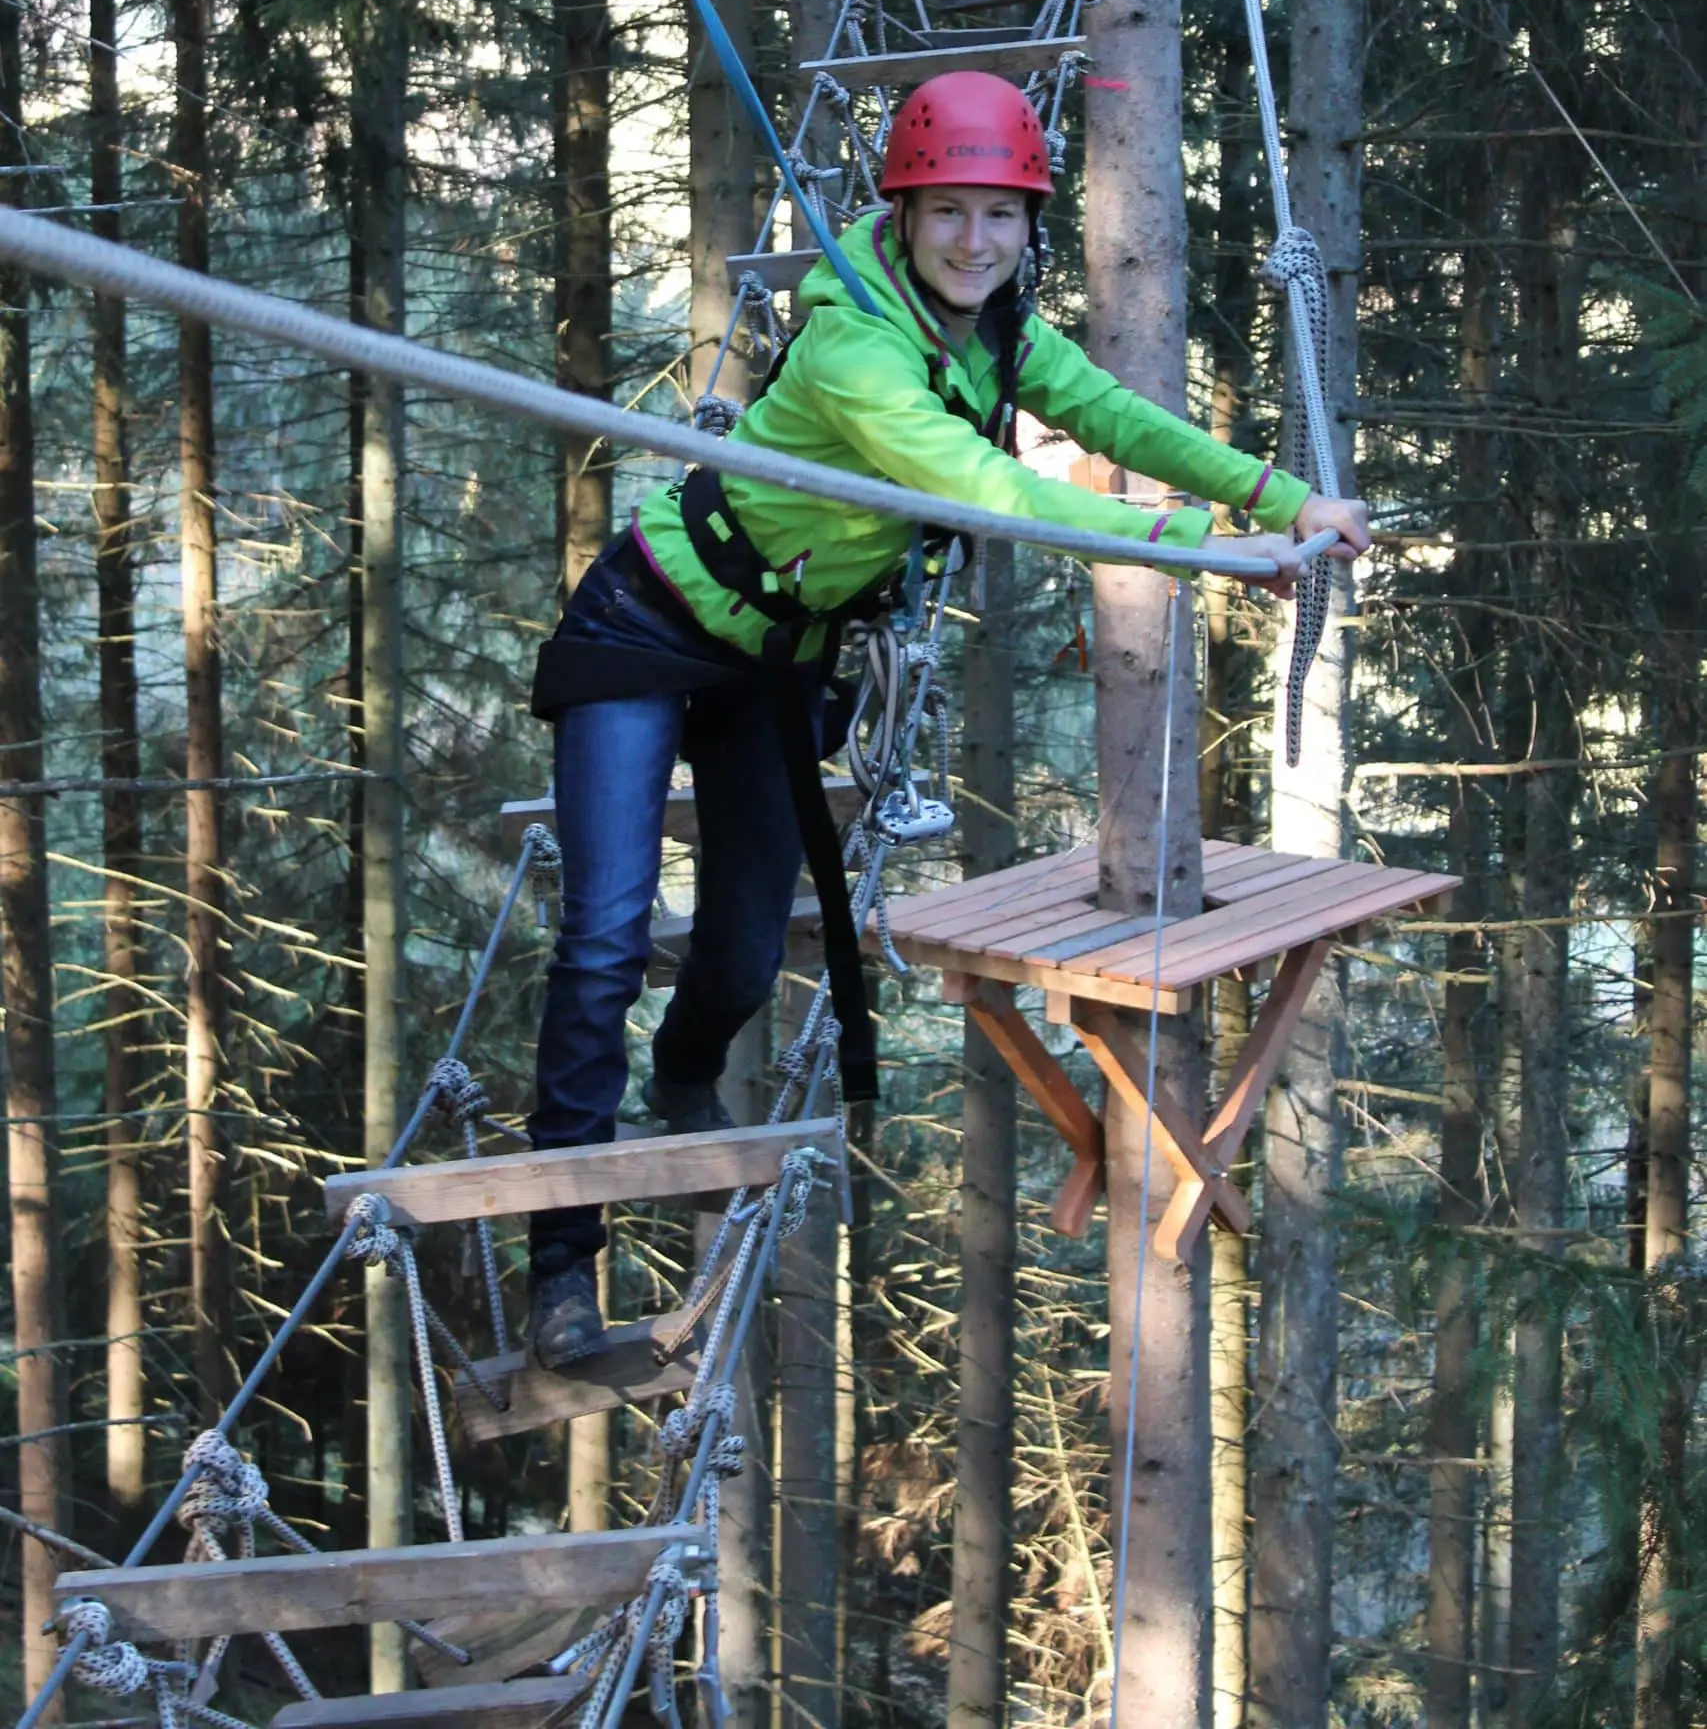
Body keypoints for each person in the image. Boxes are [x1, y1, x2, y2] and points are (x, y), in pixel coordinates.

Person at [525, 72, 1368, 1368]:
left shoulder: (998, 337)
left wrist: (1277, 491)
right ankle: (561, 1273)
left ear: (1027, 225)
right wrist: (1208, 541)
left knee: (745, 952)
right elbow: (977, 485)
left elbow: (1111, 416)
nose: (974, 241)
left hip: (778, 660)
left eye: (999, 215)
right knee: (601, 938)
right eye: (949, 214)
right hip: (644, 627)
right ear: (904, 214)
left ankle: (681, 1077)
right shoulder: (856, 346)